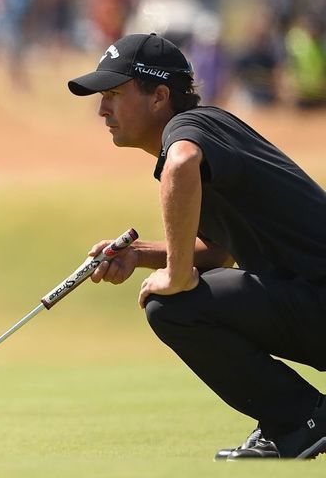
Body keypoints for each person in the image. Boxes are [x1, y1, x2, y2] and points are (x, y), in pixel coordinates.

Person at [67, 33, 326, 460]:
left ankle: (301, 419)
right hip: (312, 302)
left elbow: (182, 163)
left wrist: (176, 273)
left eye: (113, 93)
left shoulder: (189, 130)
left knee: (172, 306)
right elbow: (221, 249)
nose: (102, 109)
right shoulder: (210, 131)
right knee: (179, 294)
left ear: (159, 96)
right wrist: (140, 256)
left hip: (317, 301)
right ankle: (298, 419)